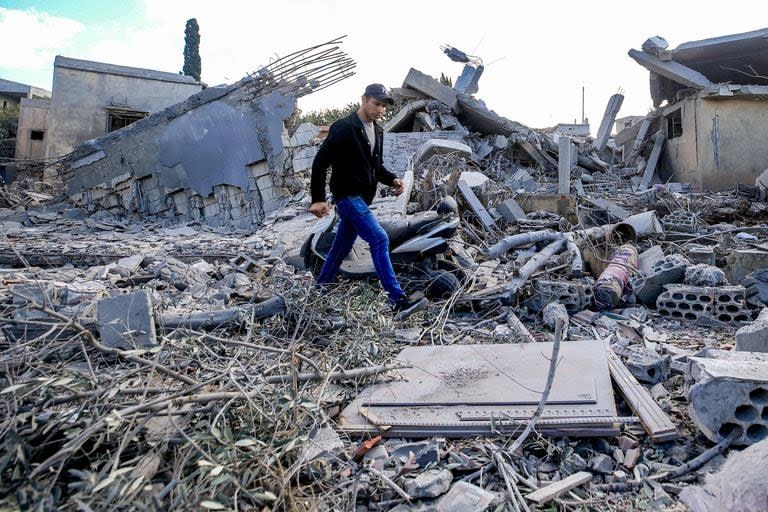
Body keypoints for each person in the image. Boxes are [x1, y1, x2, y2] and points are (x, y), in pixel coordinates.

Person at [309, 83, 428, 320]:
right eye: (376, 103)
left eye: (384, 105)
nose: (380, 109)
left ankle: (318, 293)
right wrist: (318, 199)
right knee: (379, 237)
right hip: (347, 198)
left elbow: (375, 167)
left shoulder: (378, 130)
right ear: (364, 99)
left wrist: (392, 179)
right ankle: (398, 300)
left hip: (362, 199)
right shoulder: (343, 127)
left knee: (339, 248)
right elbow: (320, 163)